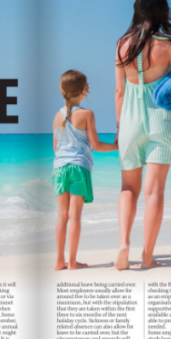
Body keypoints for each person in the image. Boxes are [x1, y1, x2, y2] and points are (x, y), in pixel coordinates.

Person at [115, 0, 171, 270]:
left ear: (137, 10)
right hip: (161, 119)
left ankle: (124, 242)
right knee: (154, 191)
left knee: (128, 188)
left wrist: (120, 127)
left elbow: (119, 91)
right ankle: (147, 257)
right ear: (163, 11)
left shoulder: (122, 44)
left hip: (130, 122)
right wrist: (169, 95)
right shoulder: (170, 45)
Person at [52, 70, 118, 270]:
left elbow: (56, 148)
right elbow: (96, 146)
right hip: (78, 168)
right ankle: (72, 262)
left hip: (59, 169)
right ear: (84, 90)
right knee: (75, 216)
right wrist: (118, 146)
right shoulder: (87, 114)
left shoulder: (57, 116)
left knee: (62, 216)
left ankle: (59, 261)